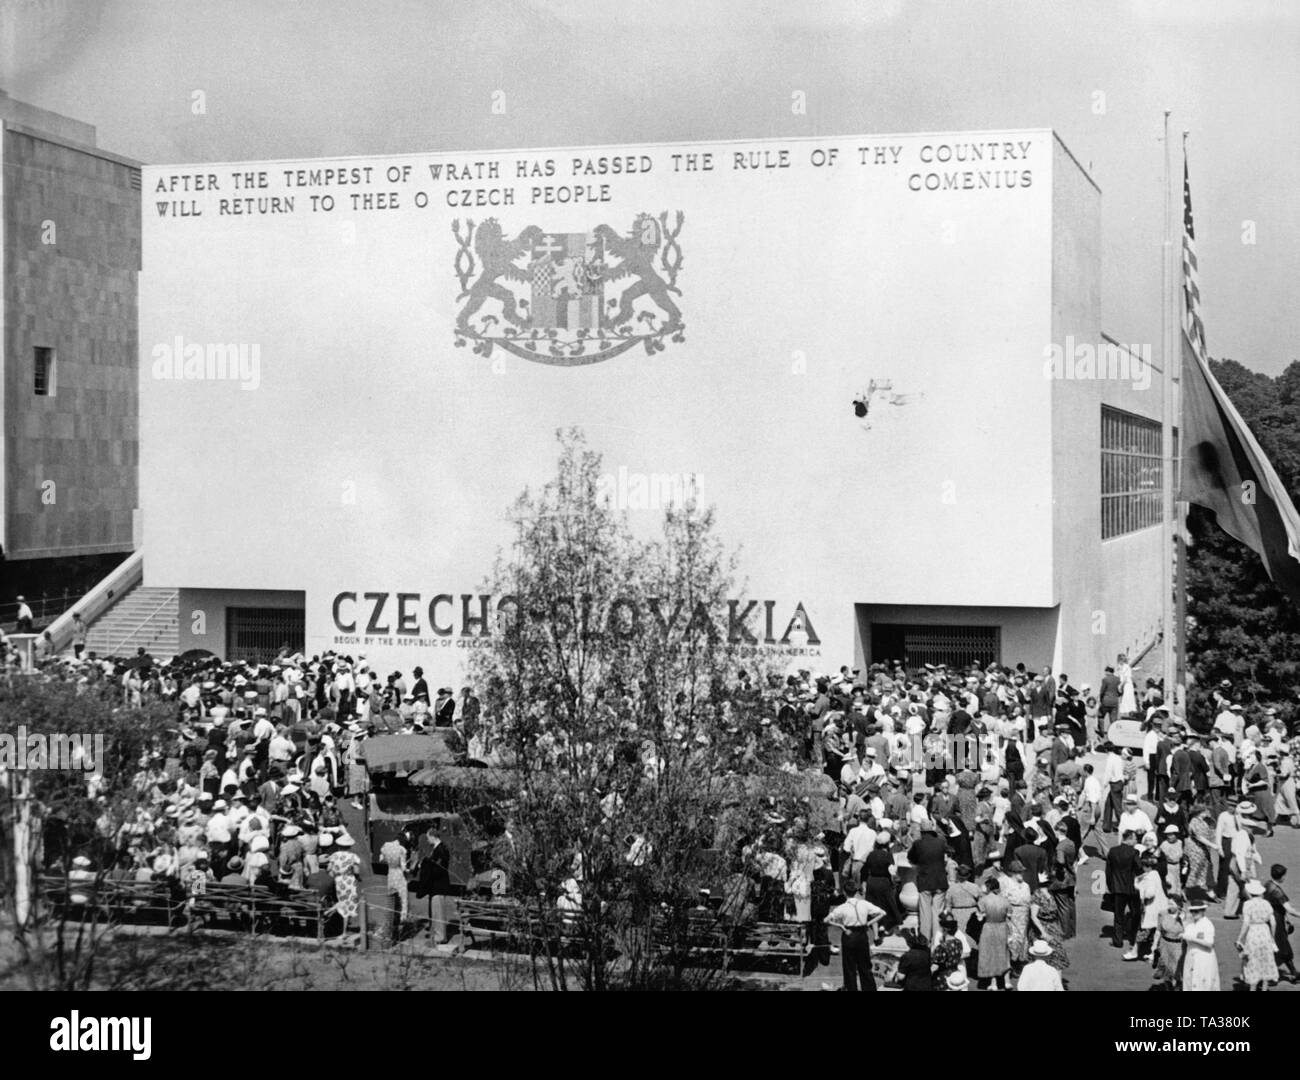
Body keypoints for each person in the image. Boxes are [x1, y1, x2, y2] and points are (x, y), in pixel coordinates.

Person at [823, 877, 885, 991]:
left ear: (844, 892)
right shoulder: (864, 904)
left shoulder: (842, 907)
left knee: (849, 967)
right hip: (862, 934)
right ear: (856, 891)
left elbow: (826, 920)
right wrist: (868, 923)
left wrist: (840, 926)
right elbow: (882, 913)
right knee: (865, 966)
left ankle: (851, 988)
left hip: (848, 935)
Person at [908, 819, 948, 944]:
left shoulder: (918, 844)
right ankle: (937, 942)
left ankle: (925, 941)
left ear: (921, 831)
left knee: (925, 913)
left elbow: (911, 858)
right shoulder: (941, 842)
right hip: (940, 880)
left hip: (925, 880)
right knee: (937, 912)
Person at [1235, 880, 1278, 990]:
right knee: (1266, 960)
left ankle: (1252, 988)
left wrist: (1240, 938)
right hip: (1265, 931)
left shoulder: (1247, 904)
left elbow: (1246, 923)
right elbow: (1273, 923)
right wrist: (1272, 938)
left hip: (1253, 932)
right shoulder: (1266, 903)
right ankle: (1264, 988)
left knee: (1253, 960)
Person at [1106, 830, 1141, 956]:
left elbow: (1108, 871)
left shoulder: (1113, 851)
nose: (1136, 841)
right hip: (1131, 888)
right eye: (1135, 838)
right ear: (1129, 838)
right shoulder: (1134, 852)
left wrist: (1110, 886)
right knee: (1135, 913)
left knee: (1118, 915)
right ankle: (1134, 937)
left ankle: (1117, 940)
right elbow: (1139, 868)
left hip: (1117, 887)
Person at [1263, 864, 1300, 983]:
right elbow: (1289, 909)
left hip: (1269, 918)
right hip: (1277, 920)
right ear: (1281, 877)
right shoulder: (1277, 891)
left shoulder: (1268, 884)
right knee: (1282, 946)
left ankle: (1293, 972)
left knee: (1277, 946)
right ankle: (1289, 973)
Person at [1180, 888, 1221, 992]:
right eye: (1192, 911)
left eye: (1197, 911)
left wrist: (1192, 938)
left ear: (1203, 911)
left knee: (1203, 984)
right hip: (1191, 957)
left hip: (1204, 958)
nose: (1194, 913)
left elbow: (1209, 943)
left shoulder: (1207, 924)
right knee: (1190, 982)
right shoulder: (1190, 924)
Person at [976, 875, 1011, 989]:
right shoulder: (1005, 900)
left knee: (990, 954)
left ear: (988, 887)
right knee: (1003, 953)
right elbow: (1009, 916)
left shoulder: (983, 901)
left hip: (989, 927)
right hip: (1002, 927)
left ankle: (993, 983)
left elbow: (979, 918)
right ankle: (1006, 981)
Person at [1152, 892, 1185, 990]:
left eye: (1172, 904)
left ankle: (1179, 985)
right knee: (1167, 971)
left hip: (1178, 946)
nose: (1169, 906)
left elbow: (1190, 931)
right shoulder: (1162, 913)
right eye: (1168, 903)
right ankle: (1168, 986)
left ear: (1178, 905)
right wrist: (1154, 945)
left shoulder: (1184, 916)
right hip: (1164, 945)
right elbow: (1158, 930)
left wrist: (1183, 919)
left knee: (1177, 970)